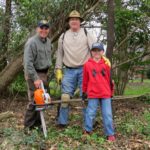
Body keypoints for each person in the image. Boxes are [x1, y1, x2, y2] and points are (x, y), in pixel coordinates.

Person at [55, 10, 97, 126]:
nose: (74, 21)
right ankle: (62, 122)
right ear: (69, 22)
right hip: (68, 70)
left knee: (86, 97)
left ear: (80, 21)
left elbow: (95, 51)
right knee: (65, 98)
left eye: (76, 19)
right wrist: (58, 69)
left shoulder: (86, 33)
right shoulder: (63, 37)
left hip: (85, 69)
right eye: (72, 19)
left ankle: (89, 122)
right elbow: (59, 54)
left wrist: (99, 64)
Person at [82, 43, 115, 142]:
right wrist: (84, 91)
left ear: (102, 52)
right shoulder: (87, 65)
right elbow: (85, 80)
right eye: (94, 50)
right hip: (93, 93)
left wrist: (111, 92)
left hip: (105, 93)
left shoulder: (106, 65)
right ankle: (87, 131)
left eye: (99, 50)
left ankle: (110, 134)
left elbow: (110, 80)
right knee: (90, 113)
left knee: (107, 114)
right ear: (91, 52)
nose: (96, 52)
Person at [23, 20, 51, 130]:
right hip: (33, 74)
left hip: (44, 73)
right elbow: (27, 63)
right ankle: (28, 126)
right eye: (41, 28)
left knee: (42, 100)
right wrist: (35, 78)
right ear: (37, 29)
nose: (44, 30)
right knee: (35, 100)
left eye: (46, 28)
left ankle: (38, 125)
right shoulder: (31, 42)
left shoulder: (48, 41)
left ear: (48, 30)